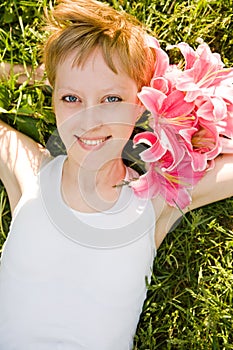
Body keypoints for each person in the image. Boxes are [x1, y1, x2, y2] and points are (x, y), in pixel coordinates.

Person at [0, 0, 232, 349]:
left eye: (110, 99)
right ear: (54, 102)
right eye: (71, 98)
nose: (89, 119)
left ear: (141, 103)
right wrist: (39, 77)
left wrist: (182, 99)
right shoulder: (32, 172)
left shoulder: (153, 199)